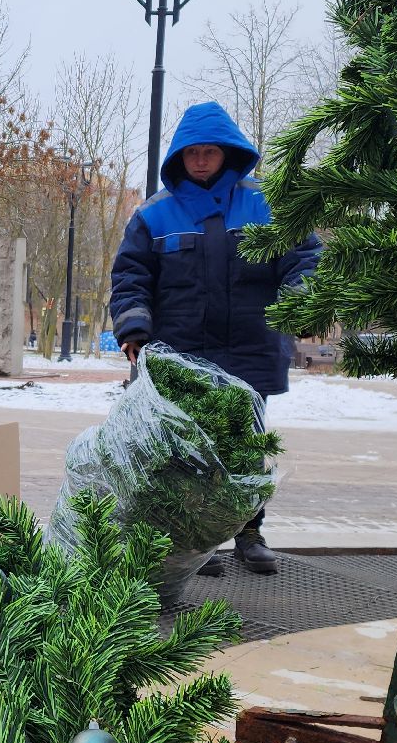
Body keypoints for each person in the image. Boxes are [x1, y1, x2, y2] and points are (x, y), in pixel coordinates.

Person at [109, 101, 321, 578]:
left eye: (210, 151)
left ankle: (249, 533)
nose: (201, 160)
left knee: (245, 448)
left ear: (228, 153)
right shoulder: (154, 215)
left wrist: (301, 300)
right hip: (181, 355)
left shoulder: (268, 203)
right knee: (182, 453)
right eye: (192, 153)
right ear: (179, 158)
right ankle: (192, 542)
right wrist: (134, 329)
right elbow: (130, 277)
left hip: (250, 350)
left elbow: (304, 257)